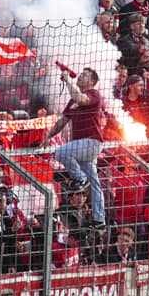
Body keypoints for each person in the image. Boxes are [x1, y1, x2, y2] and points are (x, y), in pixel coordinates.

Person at [43, 66, 105, 229]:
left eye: (84, 75)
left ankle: (79, 178)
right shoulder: (73, 101)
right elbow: (62, 121)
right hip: (81, 147)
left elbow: (81, 99)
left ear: (91, 81)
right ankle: (99, 220)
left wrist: (68, 80)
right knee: (94, 182)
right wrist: (48, 136)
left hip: (91, 142)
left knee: (61, 152)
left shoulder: (93, 95)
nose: (80, 76)